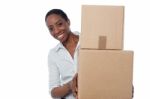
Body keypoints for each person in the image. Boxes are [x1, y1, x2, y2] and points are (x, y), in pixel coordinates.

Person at [45, 9, 79, 99]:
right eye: (51, 29)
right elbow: (53, 92)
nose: (56, 31)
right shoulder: (53, 54)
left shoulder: (88, 41)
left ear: (68, 22)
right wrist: (69, 85)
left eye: (59, 24)